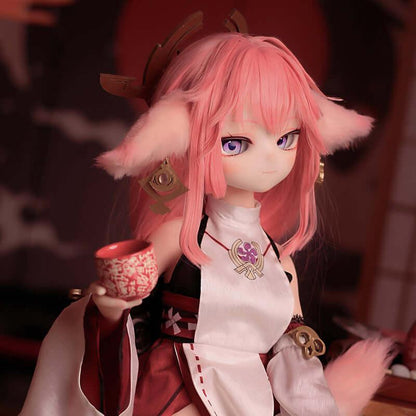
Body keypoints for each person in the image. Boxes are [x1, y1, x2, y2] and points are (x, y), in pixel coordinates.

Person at [20, 32, 389, 416]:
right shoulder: (180, 237)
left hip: (254, 400)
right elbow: (124, 306)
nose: (270, 158)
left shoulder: (280, 262)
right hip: (179, 390)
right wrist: (112, 308)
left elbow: (291, 350)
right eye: (235, 143)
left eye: (286, 139)